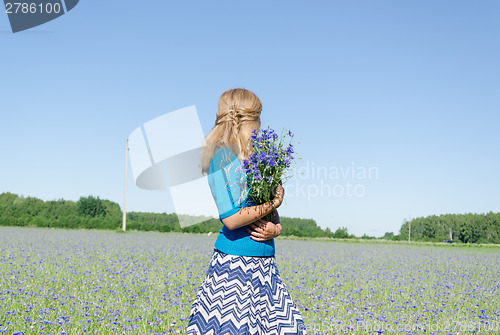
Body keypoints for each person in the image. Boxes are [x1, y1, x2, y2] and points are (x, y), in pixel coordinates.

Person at [186, 88, 306, 334]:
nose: (261, 126)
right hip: (235, 267)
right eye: (258, 119)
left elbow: (264, 209)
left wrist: (277, 227)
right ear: (242, 121)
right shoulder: (222, 157)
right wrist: (273, 204)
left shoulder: (259, 159)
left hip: (265, 266)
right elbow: (231, 218)